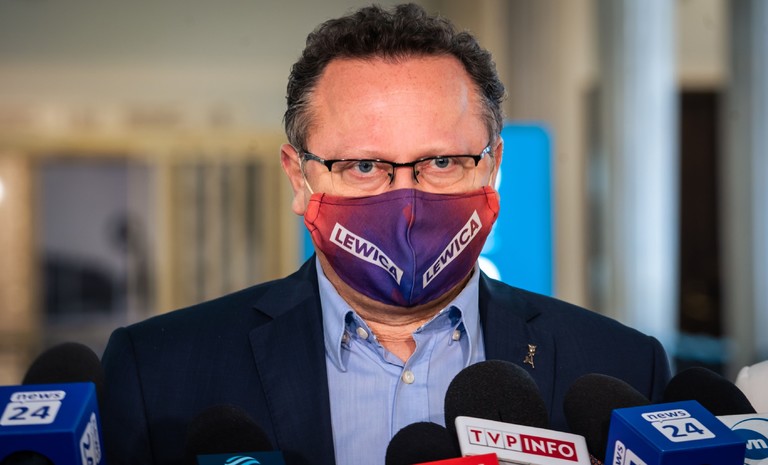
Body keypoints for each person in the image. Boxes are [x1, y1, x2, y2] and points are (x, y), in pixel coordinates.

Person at [101, 4, 671, 465]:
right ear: (299, 178)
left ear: (493, 167)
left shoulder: (622, 367)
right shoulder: (158, 372)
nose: (406, 206)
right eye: (364, 166)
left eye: (442, 161)